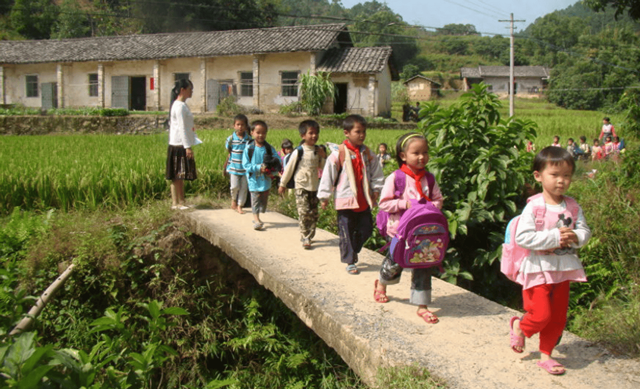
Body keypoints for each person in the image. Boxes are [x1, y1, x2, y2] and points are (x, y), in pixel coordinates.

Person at [509, 146, 591, 375]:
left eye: (566, 175)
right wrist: (555, 237)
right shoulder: (534, 206)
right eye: (554, 175)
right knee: (541, 314)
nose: (561, 181)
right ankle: (521, 327)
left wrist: (576, 237)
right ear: (538, 176)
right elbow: (523, 237)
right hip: (538, 269)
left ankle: (546, 355)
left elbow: (584, 231)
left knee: (557, 317)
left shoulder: (573, 207)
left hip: (564, 269)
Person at [373, 133, 444, 324]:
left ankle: (422, 305)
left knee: (424, 265)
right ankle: (382, 283)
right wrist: (405, 205)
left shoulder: (429, 178)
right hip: (399, 232)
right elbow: (384, 203)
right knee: (395, 263)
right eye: (416, 153)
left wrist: (431, 208)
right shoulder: (396, 178)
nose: (422, 157)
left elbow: (438, 199)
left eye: (425, 152)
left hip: (423, 234)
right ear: (403, 156)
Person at [318, 114, 384, 274]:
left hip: (363, 201)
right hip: (345, 201)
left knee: (366, 229)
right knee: (346, 231)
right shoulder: (338, 154)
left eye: (364, 132)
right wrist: (324, 196)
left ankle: (353, 248)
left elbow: (377, 174)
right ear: (346, 133)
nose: (362, 135)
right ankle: (350, 260)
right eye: (358, 131)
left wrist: (376, 190)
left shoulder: (368, 154)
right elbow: (328, 175)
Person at [278, 120, 327, 249]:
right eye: (311, 133)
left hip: (314, 187)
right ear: (303, 135)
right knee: (304, 211)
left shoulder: (318, 150)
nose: (314, 136)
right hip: (301, 186)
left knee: (314, 213)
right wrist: (282, 184)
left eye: (316, 133)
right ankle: (305, 235)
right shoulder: (298, 151)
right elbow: (289, 168)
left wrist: (324, 156)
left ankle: (310, 235)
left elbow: (324, 167)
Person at [166, 79, 196, 210]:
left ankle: (181, 201)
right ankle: (175, 203)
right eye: (190, 89)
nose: (191, 92)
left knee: (180, 175)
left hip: (179, 144)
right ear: (183, 90)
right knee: (177, 176)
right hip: (178, 144)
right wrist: (187, 146)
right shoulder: (179, 106)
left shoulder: (180, 105)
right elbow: (182, 128)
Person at [242, 120, 278, 230]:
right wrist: (258, 167)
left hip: (266, 180)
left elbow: (277, 161)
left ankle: (259, 213)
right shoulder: (249, 148)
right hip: (254, 180)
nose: (261, 135)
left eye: (263, 132)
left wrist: (272, 169)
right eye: (258, 132)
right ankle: (256, 219)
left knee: (263, 202)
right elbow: (246, 165)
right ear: (252, 133)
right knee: (255, 199)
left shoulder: (269, 148)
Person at [225, 114, 252, 214]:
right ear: (234, 126)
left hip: (245, 169)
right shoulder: (231, 139)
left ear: (245, 127)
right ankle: (233, 200)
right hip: (234, 168)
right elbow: (229, 149)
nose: (240, 127)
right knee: (234, 186)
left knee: (244, 188)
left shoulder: (248, 139)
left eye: (242, 125)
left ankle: (240, 205)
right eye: (238, 124)